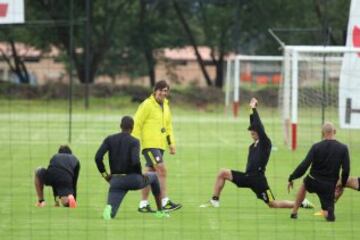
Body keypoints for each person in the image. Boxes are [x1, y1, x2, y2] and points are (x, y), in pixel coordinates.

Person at [200, 98, 314, 210]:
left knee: (273, 204)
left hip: (258, 181)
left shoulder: (265, 142)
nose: (252, 132)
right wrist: (251, 110)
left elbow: (258, 125)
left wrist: (253, 108)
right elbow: (254, 123)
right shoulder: (253, 145)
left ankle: (301, 203)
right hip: (247, 177)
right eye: (251, 130)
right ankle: (215, 200)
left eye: (254, 130)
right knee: (222, 173)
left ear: (260, 131)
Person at [95, 116, 168, 219]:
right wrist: (139, 174)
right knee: (154, 177)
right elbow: (135, 161)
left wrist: (105, 175)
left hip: (116, 181)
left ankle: (109, 209)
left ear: (120, 126)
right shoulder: (134, 141)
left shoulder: (109, 139)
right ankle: (160, 212)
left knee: (111, 213)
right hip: (133, 179)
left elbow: (98, 157)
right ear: (132, 128)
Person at [133, 80, 181, 213]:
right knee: (162, 170)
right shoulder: (147, 105)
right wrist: (134, 144)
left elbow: (168, 127)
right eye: (160, 90)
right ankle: (165, 202)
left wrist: (171, 144)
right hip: (149, 146)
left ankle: (143, 204)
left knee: (150, 175)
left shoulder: (166, 106)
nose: (163, 93)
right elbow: (137, 123)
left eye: (165, 91)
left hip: (160, 146)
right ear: (155, 91)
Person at [288, 122, 350, 222]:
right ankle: (328, 210)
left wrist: (292, 177)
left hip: (313, 181)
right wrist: (342, 184)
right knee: (328, 215)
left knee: (304, 184)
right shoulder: (343, 148)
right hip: (329, 185)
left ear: (322, 132)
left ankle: (294, 212)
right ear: (335, 132)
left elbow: (304, 165)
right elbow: (346, 170)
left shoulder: (316, 146)